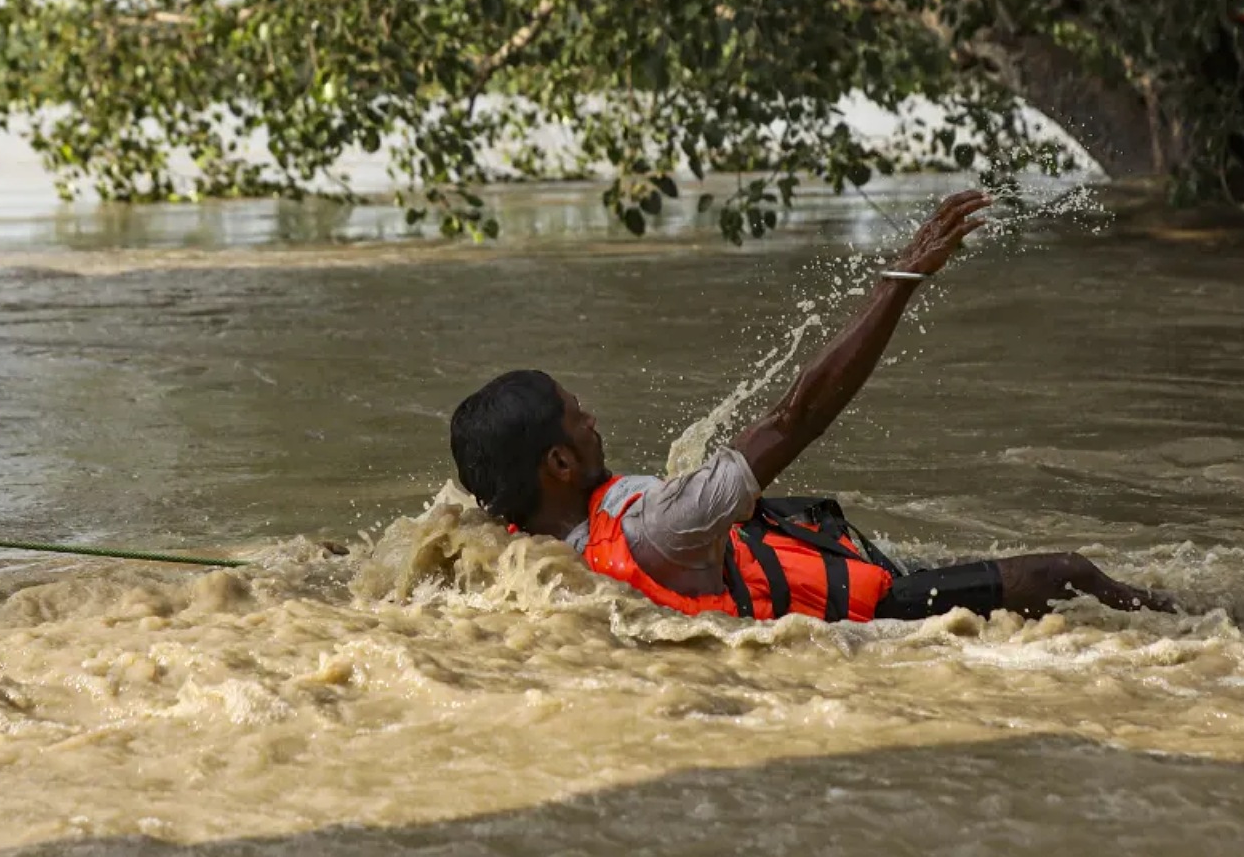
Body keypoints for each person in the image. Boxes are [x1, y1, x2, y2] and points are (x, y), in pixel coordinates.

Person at [448, 189, 1172, 622]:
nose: (593, 416)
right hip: (871, 610)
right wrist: (900, 281)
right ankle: (1219, 628)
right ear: (559, 461)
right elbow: (796, 418)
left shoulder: (519, 537)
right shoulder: (662, 526)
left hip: (793, 560)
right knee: (1067, 574)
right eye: (579, 415)